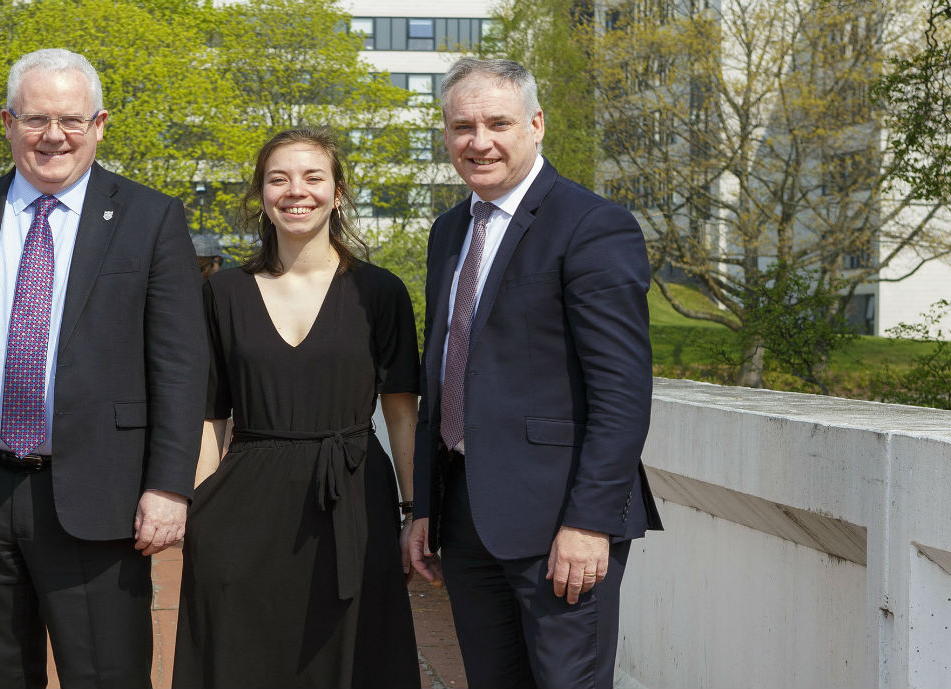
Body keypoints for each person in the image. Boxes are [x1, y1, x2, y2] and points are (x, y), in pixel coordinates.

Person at [0, 48, 209, 689]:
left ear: (100, 125)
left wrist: (169, 486)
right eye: (36, 119)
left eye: (72, 120)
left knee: (107, 674)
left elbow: (182, 366)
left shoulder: (150, 218)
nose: (54, 136)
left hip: (102, 493)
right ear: (7, 122)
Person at [405, 58, 662, 689]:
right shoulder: (448, 232)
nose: (479, 141)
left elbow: (622, 394)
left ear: (536, 124)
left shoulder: (592, 225)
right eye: (462, 126)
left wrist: (590, 522)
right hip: (467, 518)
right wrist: (424, 508)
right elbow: (441, 376)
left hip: (560, 523)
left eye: (498, 122)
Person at [172, 129, 421, 688]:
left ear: (338, 192)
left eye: (313, 177)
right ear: (260, 194)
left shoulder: (380, 292)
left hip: (355, 495)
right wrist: (201, 515)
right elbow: (209, 415)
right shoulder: (224, 293)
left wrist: (412, 513)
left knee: (356, 655)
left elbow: (402, 412)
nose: (295, 191)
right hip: (245, 502)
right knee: (243, 654)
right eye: (277, 178)